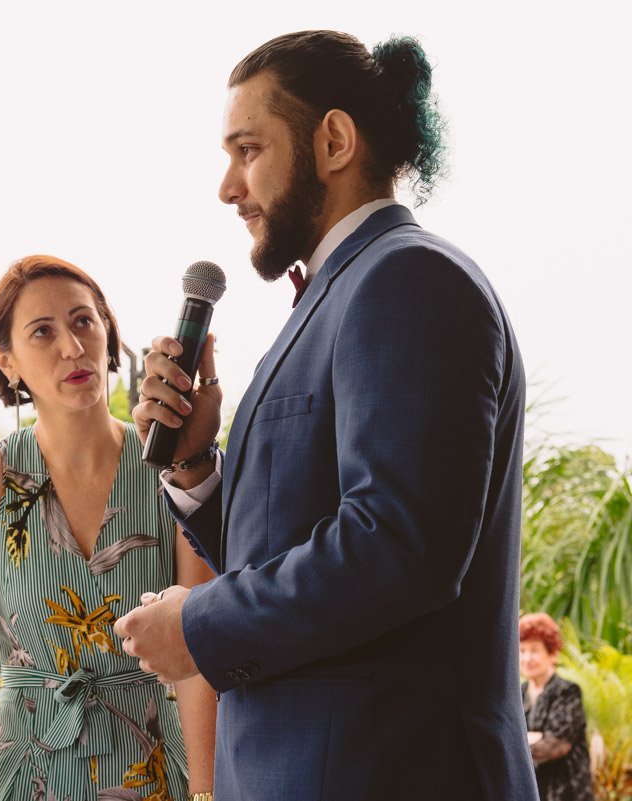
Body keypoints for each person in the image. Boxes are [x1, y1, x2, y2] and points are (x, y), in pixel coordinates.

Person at [113, 30, 539, 800]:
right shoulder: (340, 294)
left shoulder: (408, 279)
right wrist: (195, 463)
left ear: (333, 140)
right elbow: (289, 537)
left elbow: (398, 546)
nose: (227, 187)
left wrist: (198, 627)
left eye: (247, 150)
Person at [0, 255, 217, 801]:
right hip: (22, 773)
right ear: (7, 361)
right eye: (43, 331)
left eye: (84, 321)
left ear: (108, 331)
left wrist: (207, 794)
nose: (72, 346)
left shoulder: (170, 466)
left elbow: (197, 650)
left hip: (154, 769)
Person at [520, 613, 595, 801]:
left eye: (534, 650)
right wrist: (536, 737)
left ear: (552, 653)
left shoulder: (567, 691)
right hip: (533, 789)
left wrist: (520, 740)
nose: (527, 658)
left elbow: (555, 746)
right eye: (522, 651)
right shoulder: (518, 694)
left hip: (567, 790)